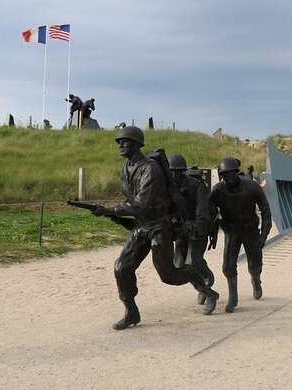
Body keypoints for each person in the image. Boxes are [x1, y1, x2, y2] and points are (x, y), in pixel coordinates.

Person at [91, 126, 219, 330]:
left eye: (125, 141)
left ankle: (207, 289)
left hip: (159, 227)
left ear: (136, 144)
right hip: (142, 226)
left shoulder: (151, 168)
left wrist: (109, 210)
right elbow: (130, 198)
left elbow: (141, 203)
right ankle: (131, 312)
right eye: (119, 142)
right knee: (121, 267)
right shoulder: (125, 167)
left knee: (169, 276)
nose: (120, 145)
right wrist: (117, 214)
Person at [208, 157, 272, 313]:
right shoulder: (217, 190)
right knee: (228, 266)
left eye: (230, 173)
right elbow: (208, 212)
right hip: (231, 231)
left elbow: (265, 211)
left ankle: (256, 280)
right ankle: (233, 296)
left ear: (236, 172)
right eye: (224, 174)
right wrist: (213, 225)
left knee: (254, 265)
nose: (228, 177)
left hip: (250, 230)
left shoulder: (251, 187)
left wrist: (263, 236)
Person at [167, 153, 215, 305]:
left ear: (183, 171)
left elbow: (203, 214)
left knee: (191, 263)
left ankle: (207, 283)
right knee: (178, 265)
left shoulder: (197, 186)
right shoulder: (169, 188)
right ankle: (204, 279)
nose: (173, 174)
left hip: (196, 231)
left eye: (176, 171)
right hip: (180, 232)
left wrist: (195, 228)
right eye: (170, 171)